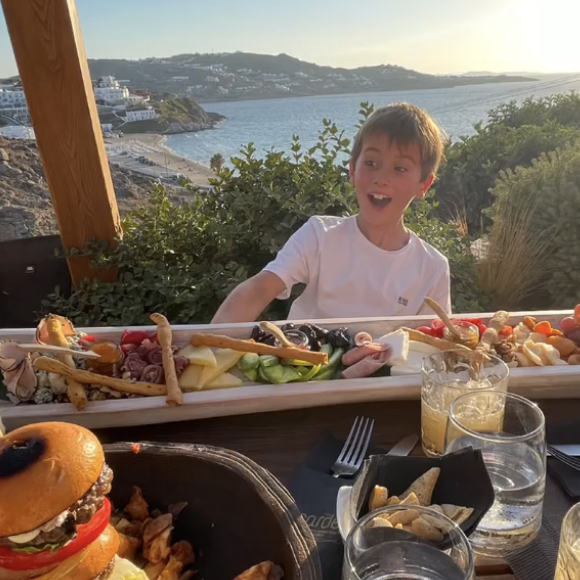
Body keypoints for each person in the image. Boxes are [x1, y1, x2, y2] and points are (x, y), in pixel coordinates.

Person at [211, 102, 450, 323]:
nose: (381, 179)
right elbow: (258, 290)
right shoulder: (320, 235)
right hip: (303, 365)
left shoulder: (432, 268)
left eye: (399, 168)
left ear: (424, 184)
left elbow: (432, 343)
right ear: (353, 171)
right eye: (371, 163)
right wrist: (207, 348)